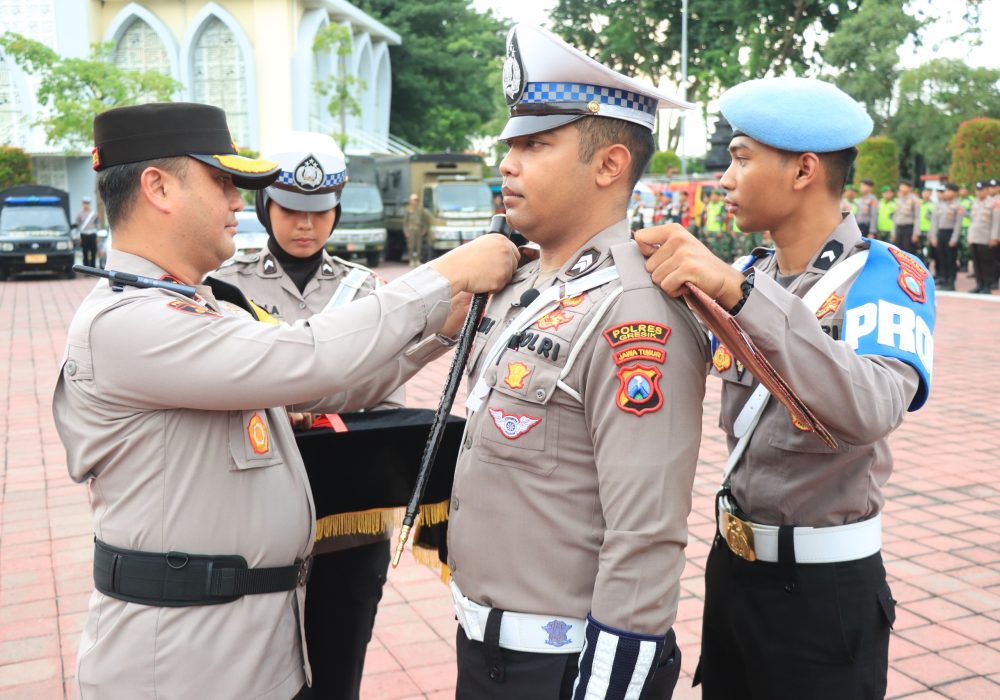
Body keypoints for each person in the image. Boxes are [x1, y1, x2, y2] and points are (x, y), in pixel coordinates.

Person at [52, 102, 518, 700]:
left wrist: (439, 325)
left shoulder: (197, 306)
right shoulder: (131, 322)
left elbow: (319, 386)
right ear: (159, 187)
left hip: (249, 645)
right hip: (182, 664)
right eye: (222, 183)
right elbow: (307, 357)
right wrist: (445, 274)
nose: (237, 204)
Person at [637, 76, 935, 699]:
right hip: (733, 573)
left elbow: (874, 407)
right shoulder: (747, 271)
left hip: (825, 590)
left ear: (803, 171)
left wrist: (744, 300)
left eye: (741, 158)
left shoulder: (885, 276)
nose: (724, 179)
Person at [446, 23, 710, 700]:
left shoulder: (636, 313)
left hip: (559, 669)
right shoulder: (528, 287)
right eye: (511, 144)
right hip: (487, 650)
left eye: (535, 144)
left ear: (608, 165)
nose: (507, 163)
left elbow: (645, 537)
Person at [210, 131, 400, 699]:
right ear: (266, 206)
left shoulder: (366, 291)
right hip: (254, 515)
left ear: (337, 210)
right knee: (256, 672)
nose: (305, 226)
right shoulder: (226, 284)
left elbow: (385, 396)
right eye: (291, 210)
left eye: (320, 213)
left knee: (340, 666)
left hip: (349, 517)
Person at [928, 183, 964, 290]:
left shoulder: (958, 206)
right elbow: (934, 222)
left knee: (950, 259)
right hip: (940, 234)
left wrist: (954, 238)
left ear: (954, 193)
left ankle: (951, 282)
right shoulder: (939, 205)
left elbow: (958, 224)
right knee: (941, 258)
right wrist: (933, 236)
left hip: (950, 233)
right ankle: (943, 280)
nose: (946, 193)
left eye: (949, 191)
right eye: (946, 191)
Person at [967, 180, 998, 294]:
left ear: (986, 190)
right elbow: (972, 221)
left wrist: (994, 237)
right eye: (977, 190)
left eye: (981, 190)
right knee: (977, 263)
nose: (979, 192)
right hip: (975, 237)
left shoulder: (993, 203)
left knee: (987, 263)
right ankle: (979, 284)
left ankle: (987, 286)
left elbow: (996, 222)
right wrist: (969, 237)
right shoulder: (974, 202)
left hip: (986, 238)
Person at [892, 178, 921, 254]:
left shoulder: (915, 200)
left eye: (904, 186)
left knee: (908, 251)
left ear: (909, 188)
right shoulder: (898, 200)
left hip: (909, 229)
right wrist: (893, 232)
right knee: (897, 251)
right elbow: (895, 216)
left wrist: (915, 234)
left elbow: (917, 217)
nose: (901, 188)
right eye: (901, 186)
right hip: (899, 228)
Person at [403, 192, 431, 266]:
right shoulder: (408, 210)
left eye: (416, 200)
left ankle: (417, 260)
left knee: (418, 246)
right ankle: (411, 260)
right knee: (411, 246)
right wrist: (406, 231)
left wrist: (425, 229)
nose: (414, 201)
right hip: (411, 230)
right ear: (410, 201)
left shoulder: (420, 210)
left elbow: (425, 220)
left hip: (418, 229)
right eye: (413, 200)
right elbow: (405, 222)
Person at [73, 195, 100, 267]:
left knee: (93, 252)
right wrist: (78, 237)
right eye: (85, 203)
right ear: (82, 204)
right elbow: (78, 227)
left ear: (89, 204)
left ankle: (93, 267)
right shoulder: (79, 215)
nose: (86, 205)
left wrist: (97, 236)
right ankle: (86, 268)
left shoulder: (94, 214)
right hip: (83, 235)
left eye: (87, 203)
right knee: (85, 252)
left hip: (92, 234)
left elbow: (97, 225)